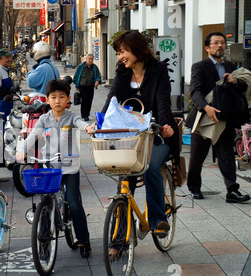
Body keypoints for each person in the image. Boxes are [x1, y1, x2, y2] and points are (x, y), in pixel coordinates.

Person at [102, 30, 180, 236]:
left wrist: (165, 124)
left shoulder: (158, 70)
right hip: (132, 136)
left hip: (158, 134)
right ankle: (118, 239)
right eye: (119, 53)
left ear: (137, 50)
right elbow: (112, 100)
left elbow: (163, 100)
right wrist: (99, 123)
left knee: (150, 166)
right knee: (124, 178)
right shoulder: (122, 73)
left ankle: (158, 220)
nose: (120, 57)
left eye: (123, 51)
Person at [17, 79, 95, 258]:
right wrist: (21, 150)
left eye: (62, 97)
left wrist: (89, 128)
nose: (58, 100)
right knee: (45, 204)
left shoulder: (72, 116)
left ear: (68, 99)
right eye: (53, 97)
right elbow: (33, 136)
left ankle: (84, 239)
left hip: (70, 168)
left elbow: (82, 125)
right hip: (50, 168)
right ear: (47, 99)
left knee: (74, 204)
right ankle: (44, 244)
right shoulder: (44, 119)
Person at [185, 31, 250, 203]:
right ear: (207, 48)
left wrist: (236, 82)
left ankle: (232, 191)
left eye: (222, 42)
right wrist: (206, 107)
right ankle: (195, 188)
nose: (220, 45)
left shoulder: (230, 66)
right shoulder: (199, 66)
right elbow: (195, 91)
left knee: (227, 155)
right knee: (197, 156)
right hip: (204, 119)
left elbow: (241, 90)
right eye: (215, 43)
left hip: (224, 118)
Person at [74, 53, 102, 121]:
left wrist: (97, 81)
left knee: (89, 101)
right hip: (82, 86)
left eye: (92, 59)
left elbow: (98, 76)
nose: (91, 60)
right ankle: (84, 115)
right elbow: (76, 76)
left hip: (90, 86)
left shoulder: (94, 67)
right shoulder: (81, 67)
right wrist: (76, 85)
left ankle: (87, 114)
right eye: (89, 59)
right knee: (84, 100)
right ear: (86, 59)